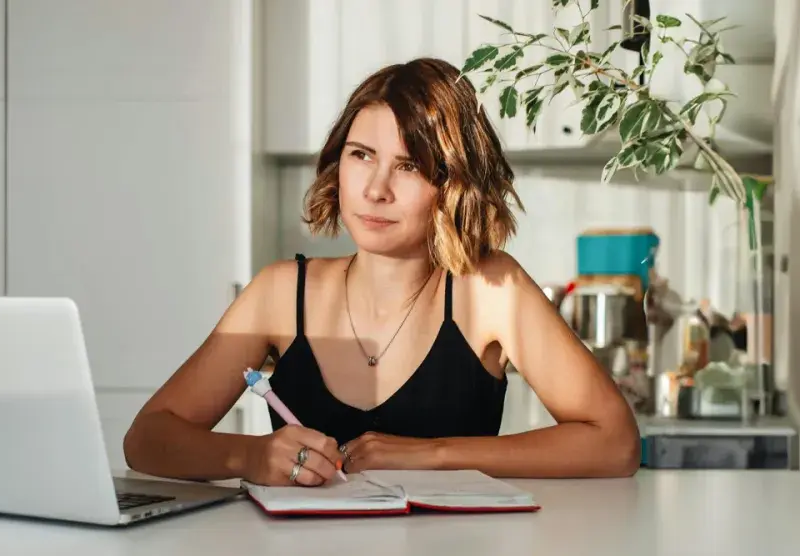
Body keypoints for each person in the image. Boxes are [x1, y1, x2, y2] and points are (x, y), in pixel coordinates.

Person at [124, 57, 640, 487]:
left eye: (409, 166)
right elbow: (146, 438)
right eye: (361, 155)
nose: (375, 189)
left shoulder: (490, 289)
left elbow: (615, 443)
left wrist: (433, 455)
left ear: (453, 183)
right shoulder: (280, 292)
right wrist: (251, 457)